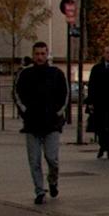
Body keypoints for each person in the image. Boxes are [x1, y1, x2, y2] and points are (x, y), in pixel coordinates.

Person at [13, 41, 68, 205]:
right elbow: (17, 94)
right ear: (33, 55)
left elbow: (64, 95)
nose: (40, 57)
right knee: (34, 160)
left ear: (47, 54)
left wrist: (57, 113)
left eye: (43, 54)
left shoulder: (56, 73)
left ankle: (53, 181)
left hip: (52, 124)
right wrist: (25, 112)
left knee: (52, 158)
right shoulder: (25, 75)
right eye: (37, 54)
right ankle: (39, 190)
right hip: (31, 124)